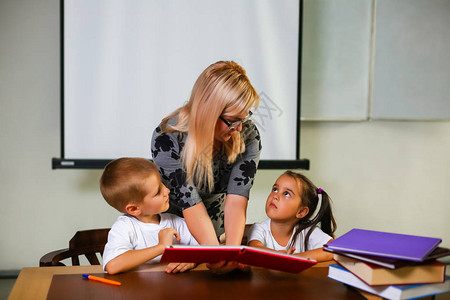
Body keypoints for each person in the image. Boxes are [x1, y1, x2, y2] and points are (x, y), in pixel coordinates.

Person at [151, 60, 261, 272]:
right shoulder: (168, 137)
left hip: (217, 234)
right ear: (208, 111)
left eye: (244, 118)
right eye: (231, 120)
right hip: (176, 235)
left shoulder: (247, 132)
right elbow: (189, 202)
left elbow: (237, 199)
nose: (238, 128)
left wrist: (229, 253)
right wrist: (212, 253)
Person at [100, 157, 199, 275]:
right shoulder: (125, 227)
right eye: (157, 191)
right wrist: (161, 247)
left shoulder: (175, 222)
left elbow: (206, 248)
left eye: (162, 183)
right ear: (134, 209)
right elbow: (113, 265)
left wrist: (193, 260)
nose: (167, 190)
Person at [247, 170, 337, 262]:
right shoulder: (259, 229)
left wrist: (295, 258)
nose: (275, 196)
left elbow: (335, 249)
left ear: (301, 211)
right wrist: (278, 255)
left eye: (286, 194)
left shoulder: (308, 232)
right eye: (275, 189)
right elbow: (255, 248)